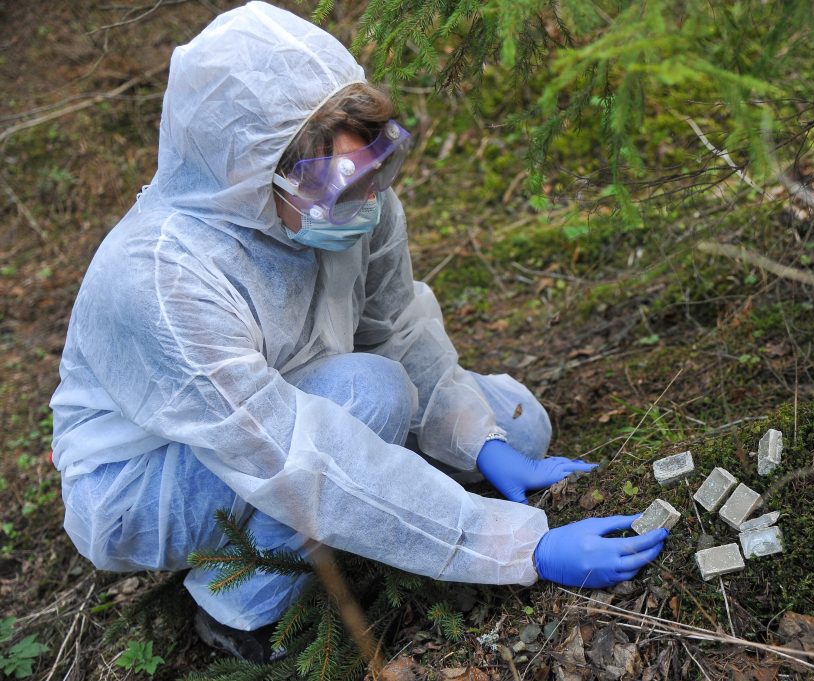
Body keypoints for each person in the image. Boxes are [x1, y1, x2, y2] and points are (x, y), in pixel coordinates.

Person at [50, 1, 667, 662]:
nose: (368, 202)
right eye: (337, 186)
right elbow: (293, 451)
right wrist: (519, 545)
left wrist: (482, 441)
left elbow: (398, 326)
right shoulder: (160, 279)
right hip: (142, 483)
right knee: (371, 395)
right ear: (248, 178)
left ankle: (408, 495)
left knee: (518, 427)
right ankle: (234, 604)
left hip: (303, 394)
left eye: (378, 169)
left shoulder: (353, 200)